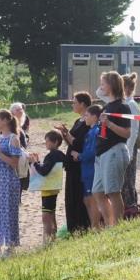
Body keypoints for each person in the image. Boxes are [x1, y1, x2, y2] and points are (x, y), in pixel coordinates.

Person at [93, 71, 132, 226]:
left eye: (103, 83)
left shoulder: (122, 106)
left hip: (114, 150)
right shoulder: (107, 105)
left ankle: (118, 225)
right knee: (97, 191)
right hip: (102, 153)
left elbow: (126, 133)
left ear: (111, 85)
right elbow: (98, 92)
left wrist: (109, 124)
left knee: (113, 192)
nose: (101, 86)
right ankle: (110, 223)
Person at [0, 109, 22, 254]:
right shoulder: (0, 138)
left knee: (10, 212)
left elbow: (14, 163)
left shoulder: (14, 138)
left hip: (10, 180)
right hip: (0, 180)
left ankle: (11, 245)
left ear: (6, 120)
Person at [56, 92, 92, 234]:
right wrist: (65, 133)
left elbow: (78, 143)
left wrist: (68, 135)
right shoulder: (79, 121)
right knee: (70, 197)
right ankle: (74, 227)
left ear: (83, 104)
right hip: (71, 164)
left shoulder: (87, 122)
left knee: (78, 197)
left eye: (75, 102)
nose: (73, 105)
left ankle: (81, 227)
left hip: (79, 165)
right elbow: (71, 141)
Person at [31, 130, 67, 243]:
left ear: (55, 142)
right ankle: (53, 239)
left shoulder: (52, 155)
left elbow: (44, 171)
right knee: (52, 215)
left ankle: (47, 242)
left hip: (48, 190)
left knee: (46, 217)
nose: (45, 143)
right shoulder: (60, 154)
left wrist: (35, 163)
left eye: (47, 141)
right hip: (54, 189)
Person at [76, 104, 103, 229]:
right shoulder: (90, 131)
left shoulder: (96, 131)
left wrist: (79, 156)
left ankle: (96, 226)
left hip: (92, 169)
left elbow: (92, 152)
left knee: (92, 200)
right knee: (87, 200)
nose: (85, 118)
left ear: (95, 117)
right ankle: (95, 226)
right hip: (85, 170)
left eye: (87, 115)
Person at [120, 72, 140, 214]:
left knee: (128, 180)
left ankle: (131, 207)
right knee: (123, 181)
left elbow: (134, 131)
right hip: (123, 146)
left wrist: (128, 151)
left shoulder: (131, 104)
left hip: (129, 146)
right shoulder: (122, 102)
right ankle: (125, 208)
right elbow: (100, 92)